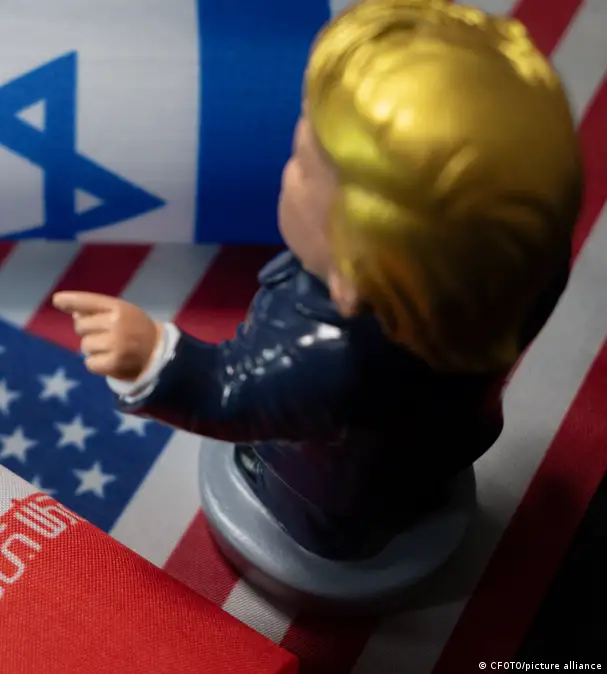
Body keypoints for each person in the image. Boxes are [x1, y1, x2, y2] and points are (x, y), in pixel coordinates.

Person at [53, 0, 582, 587]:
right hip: (439, 438)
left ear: (367, 255)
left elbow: (233, 389)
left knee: (328, 517)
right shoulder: (525, 270)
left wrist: (154, 358)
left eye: (304, 166)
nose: (286, 169)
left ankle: (332, 541)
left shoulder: (333, 359)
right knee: (410, 478)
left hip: (330, 482)